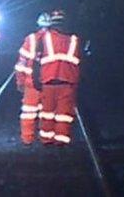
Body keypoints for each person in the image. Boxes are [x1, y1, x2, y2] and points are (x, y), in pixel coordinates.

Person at [33, 9, 82, 146]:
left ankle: (46, 140)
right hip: (68, 81)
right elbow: (80, 61)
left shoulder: (43, 39)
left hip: (48, 81)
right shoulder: (74, 39)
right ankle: (61, 141)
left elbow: (37, 61)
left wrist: (35, 79)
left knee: (47, 112)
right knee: (64, 115)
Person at [15, 12, 52, 145]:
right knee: (47, 112)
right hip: (49, 83)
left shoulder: (30, 39)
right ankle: (46, 139)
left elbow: (21, 63)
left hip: (31, 83)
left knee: (28, 113)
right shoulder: (57, 40)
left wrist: (20, 81)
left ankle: (27, 139)